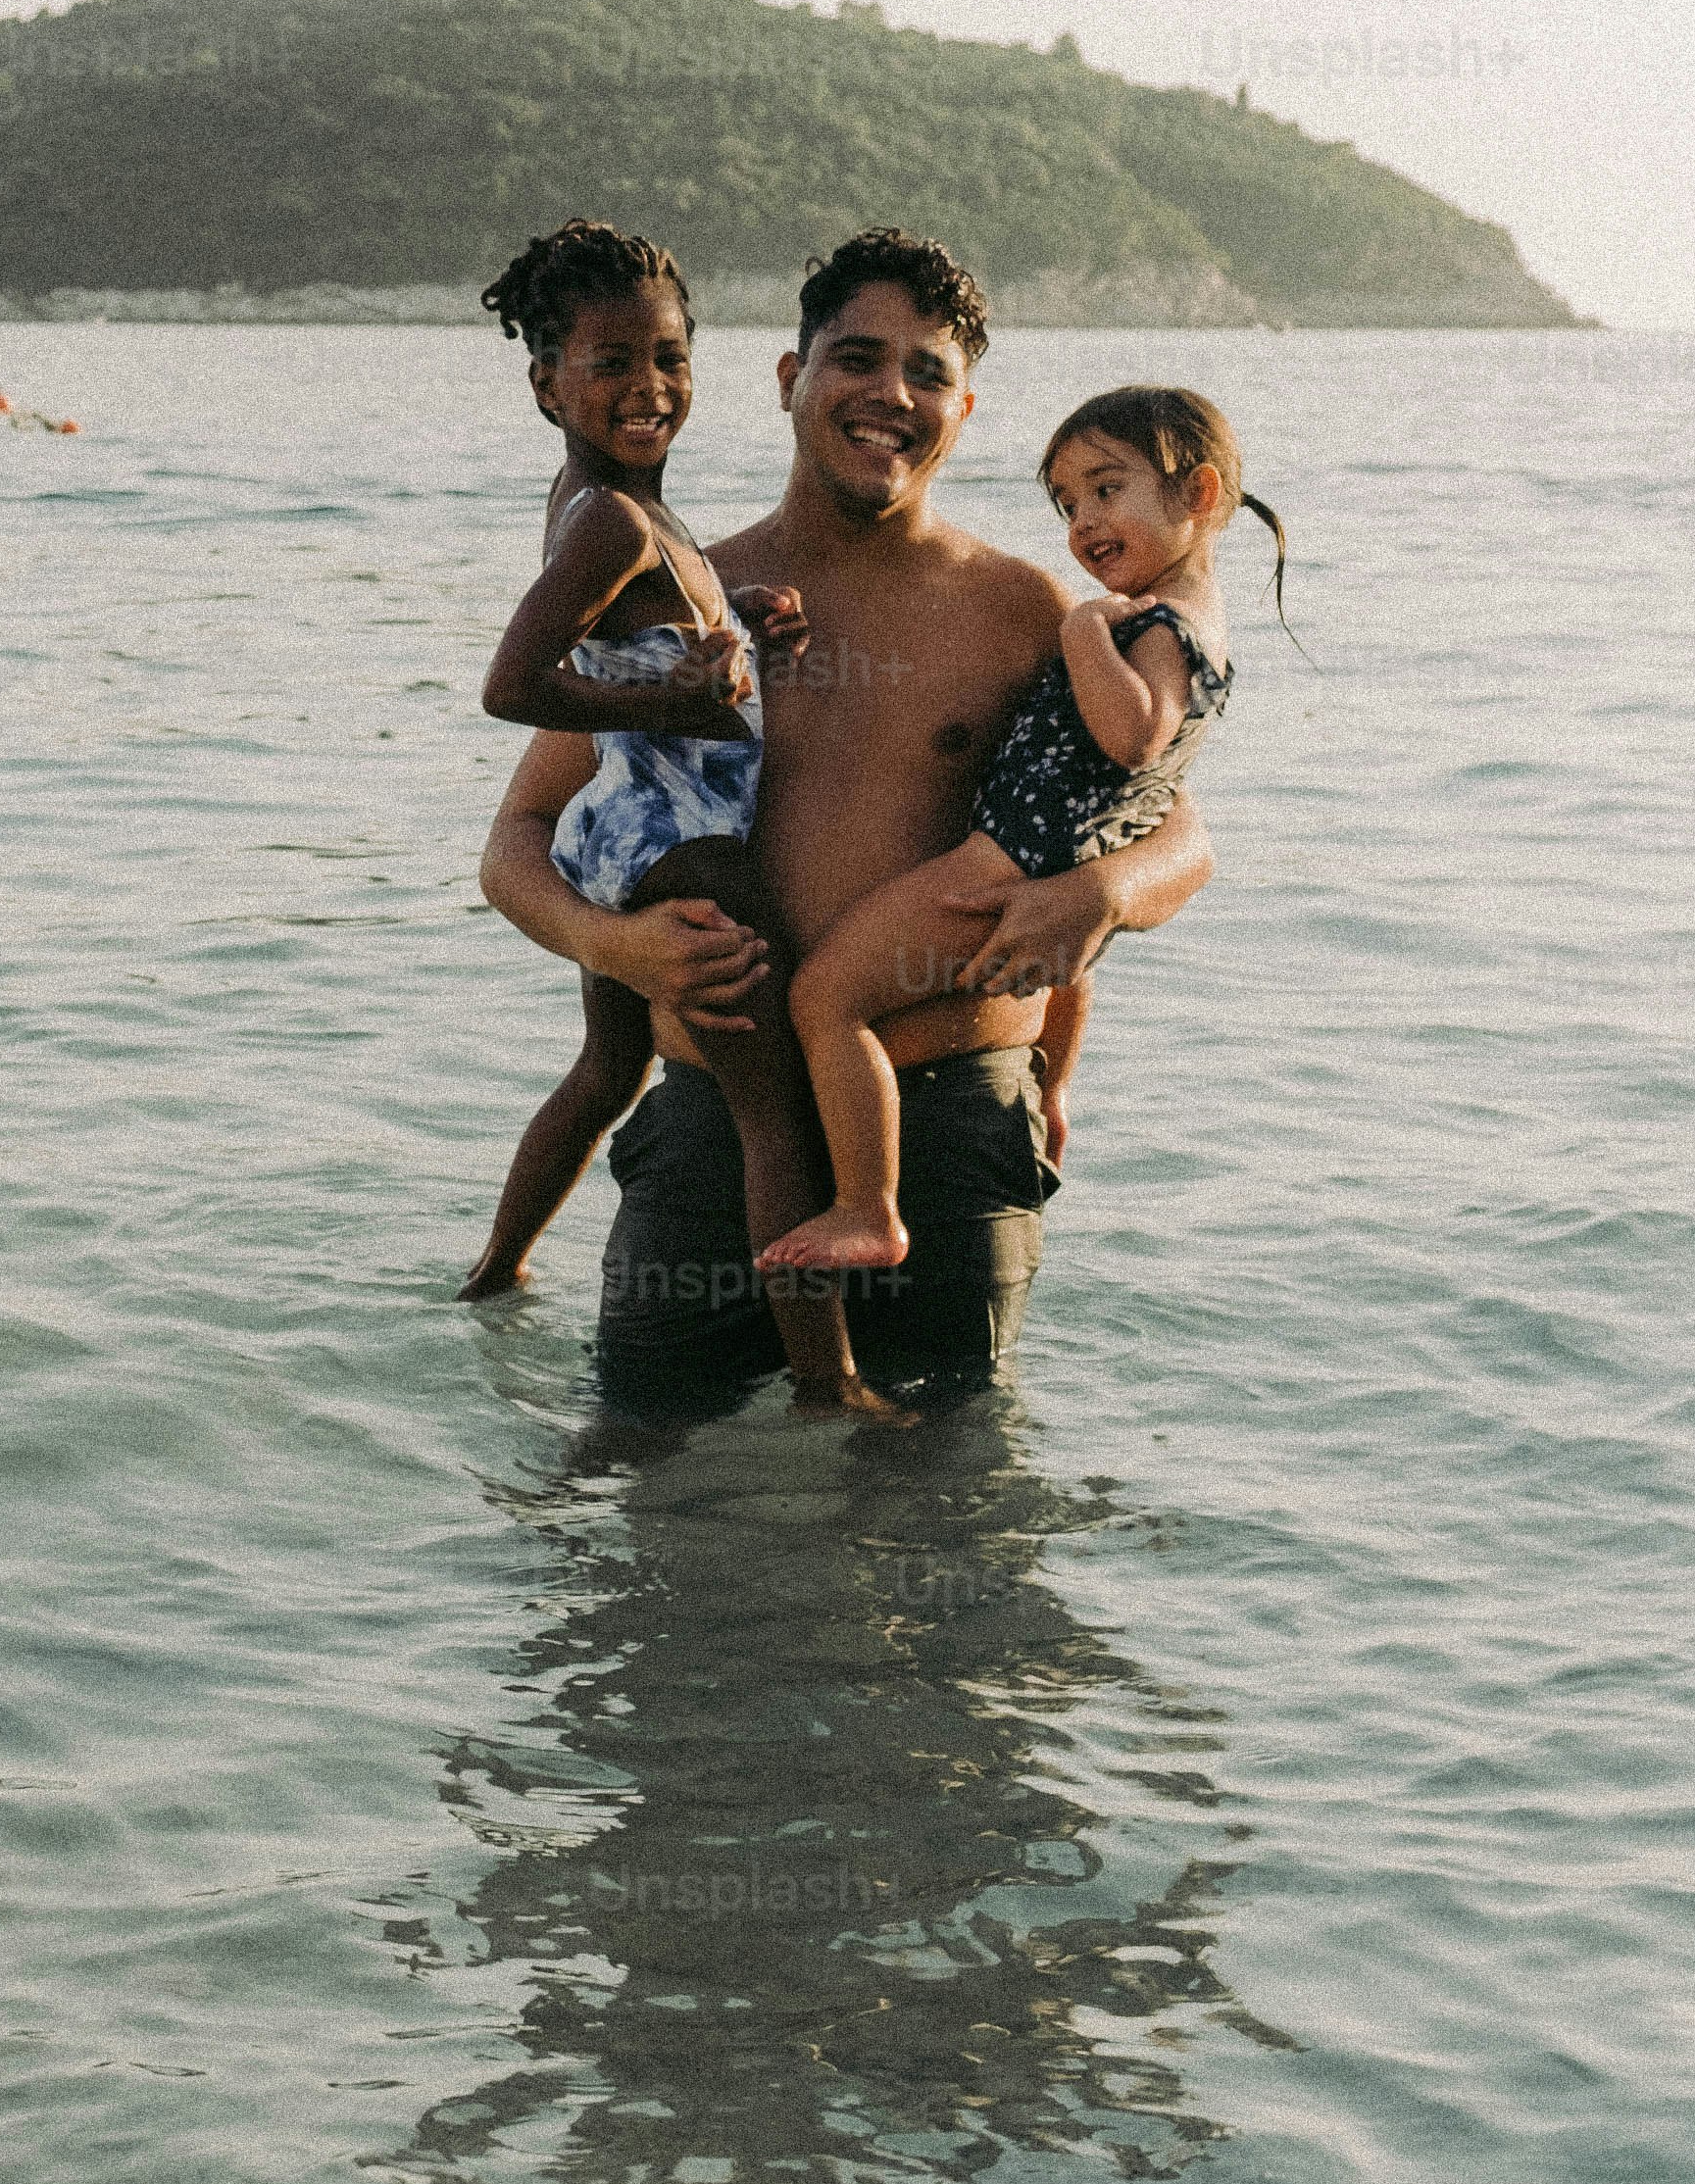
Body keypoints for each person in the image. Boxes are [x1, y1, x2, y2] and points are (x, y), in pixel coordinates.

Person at [479, 232, 1214, 1417]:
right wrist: (612, 946)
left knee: (954, 1518)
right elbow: (515, 837)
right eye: (855, 359)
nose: (889, 394)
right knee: (647, 1512)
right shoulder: (684, 588)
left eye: (925, 373)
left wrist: (1102, 894)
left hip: (953, 1130)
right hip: (717, 1128)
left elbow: (1176, 832)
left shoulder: (1028, 609)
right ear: (788, 378)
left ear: (963, 407)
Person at [761, 386, 1278, 1275]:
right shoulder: (1172, 620)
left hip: (1000, 869)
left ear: (1198, 494)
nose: (1083, 522)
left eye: (1106, 490)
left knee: (826, 1000)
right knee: (1067, 976)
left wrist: (1080, 630)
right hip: (1048, 861)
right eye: (1069, 503)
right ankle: (1053, 1089)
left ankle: (868, 1208)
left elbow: (1135, 734)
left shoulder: (1144, 626)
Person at [456, 223, 833, 1364]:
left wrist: (740, 614)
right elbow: (510, 684)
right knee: (775, 1112)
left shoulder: (618, 509)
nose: (648, 386)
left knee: (608, 1068)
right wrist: (669, 700)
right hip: (685, 842)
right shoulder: (614, 517)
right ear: (544, 382)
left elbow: (639, 627)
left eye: (668, 356)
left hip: (615, 834)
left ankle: (493, 1274)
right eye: (610, 361)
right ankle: (829, 1379)